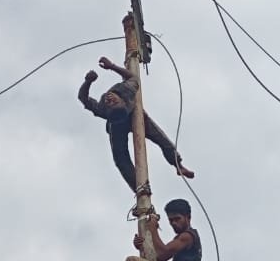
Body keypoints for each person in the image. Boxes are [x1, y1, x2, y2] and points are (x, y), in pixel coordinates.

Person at [78, 57, 195, 193]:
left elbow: (84, 98)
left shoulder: (115, 98)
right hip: (116, 125)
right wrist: (98, 75)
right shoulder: (118, 96)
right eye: (111, 102)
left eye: (112, 102)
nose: (110, 99)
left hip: (134, 113)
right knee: (120, 158)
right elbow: (132, 77)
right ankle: (139, 188)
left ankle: (178, 165)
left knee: (161, 138)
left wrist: (99, 74)